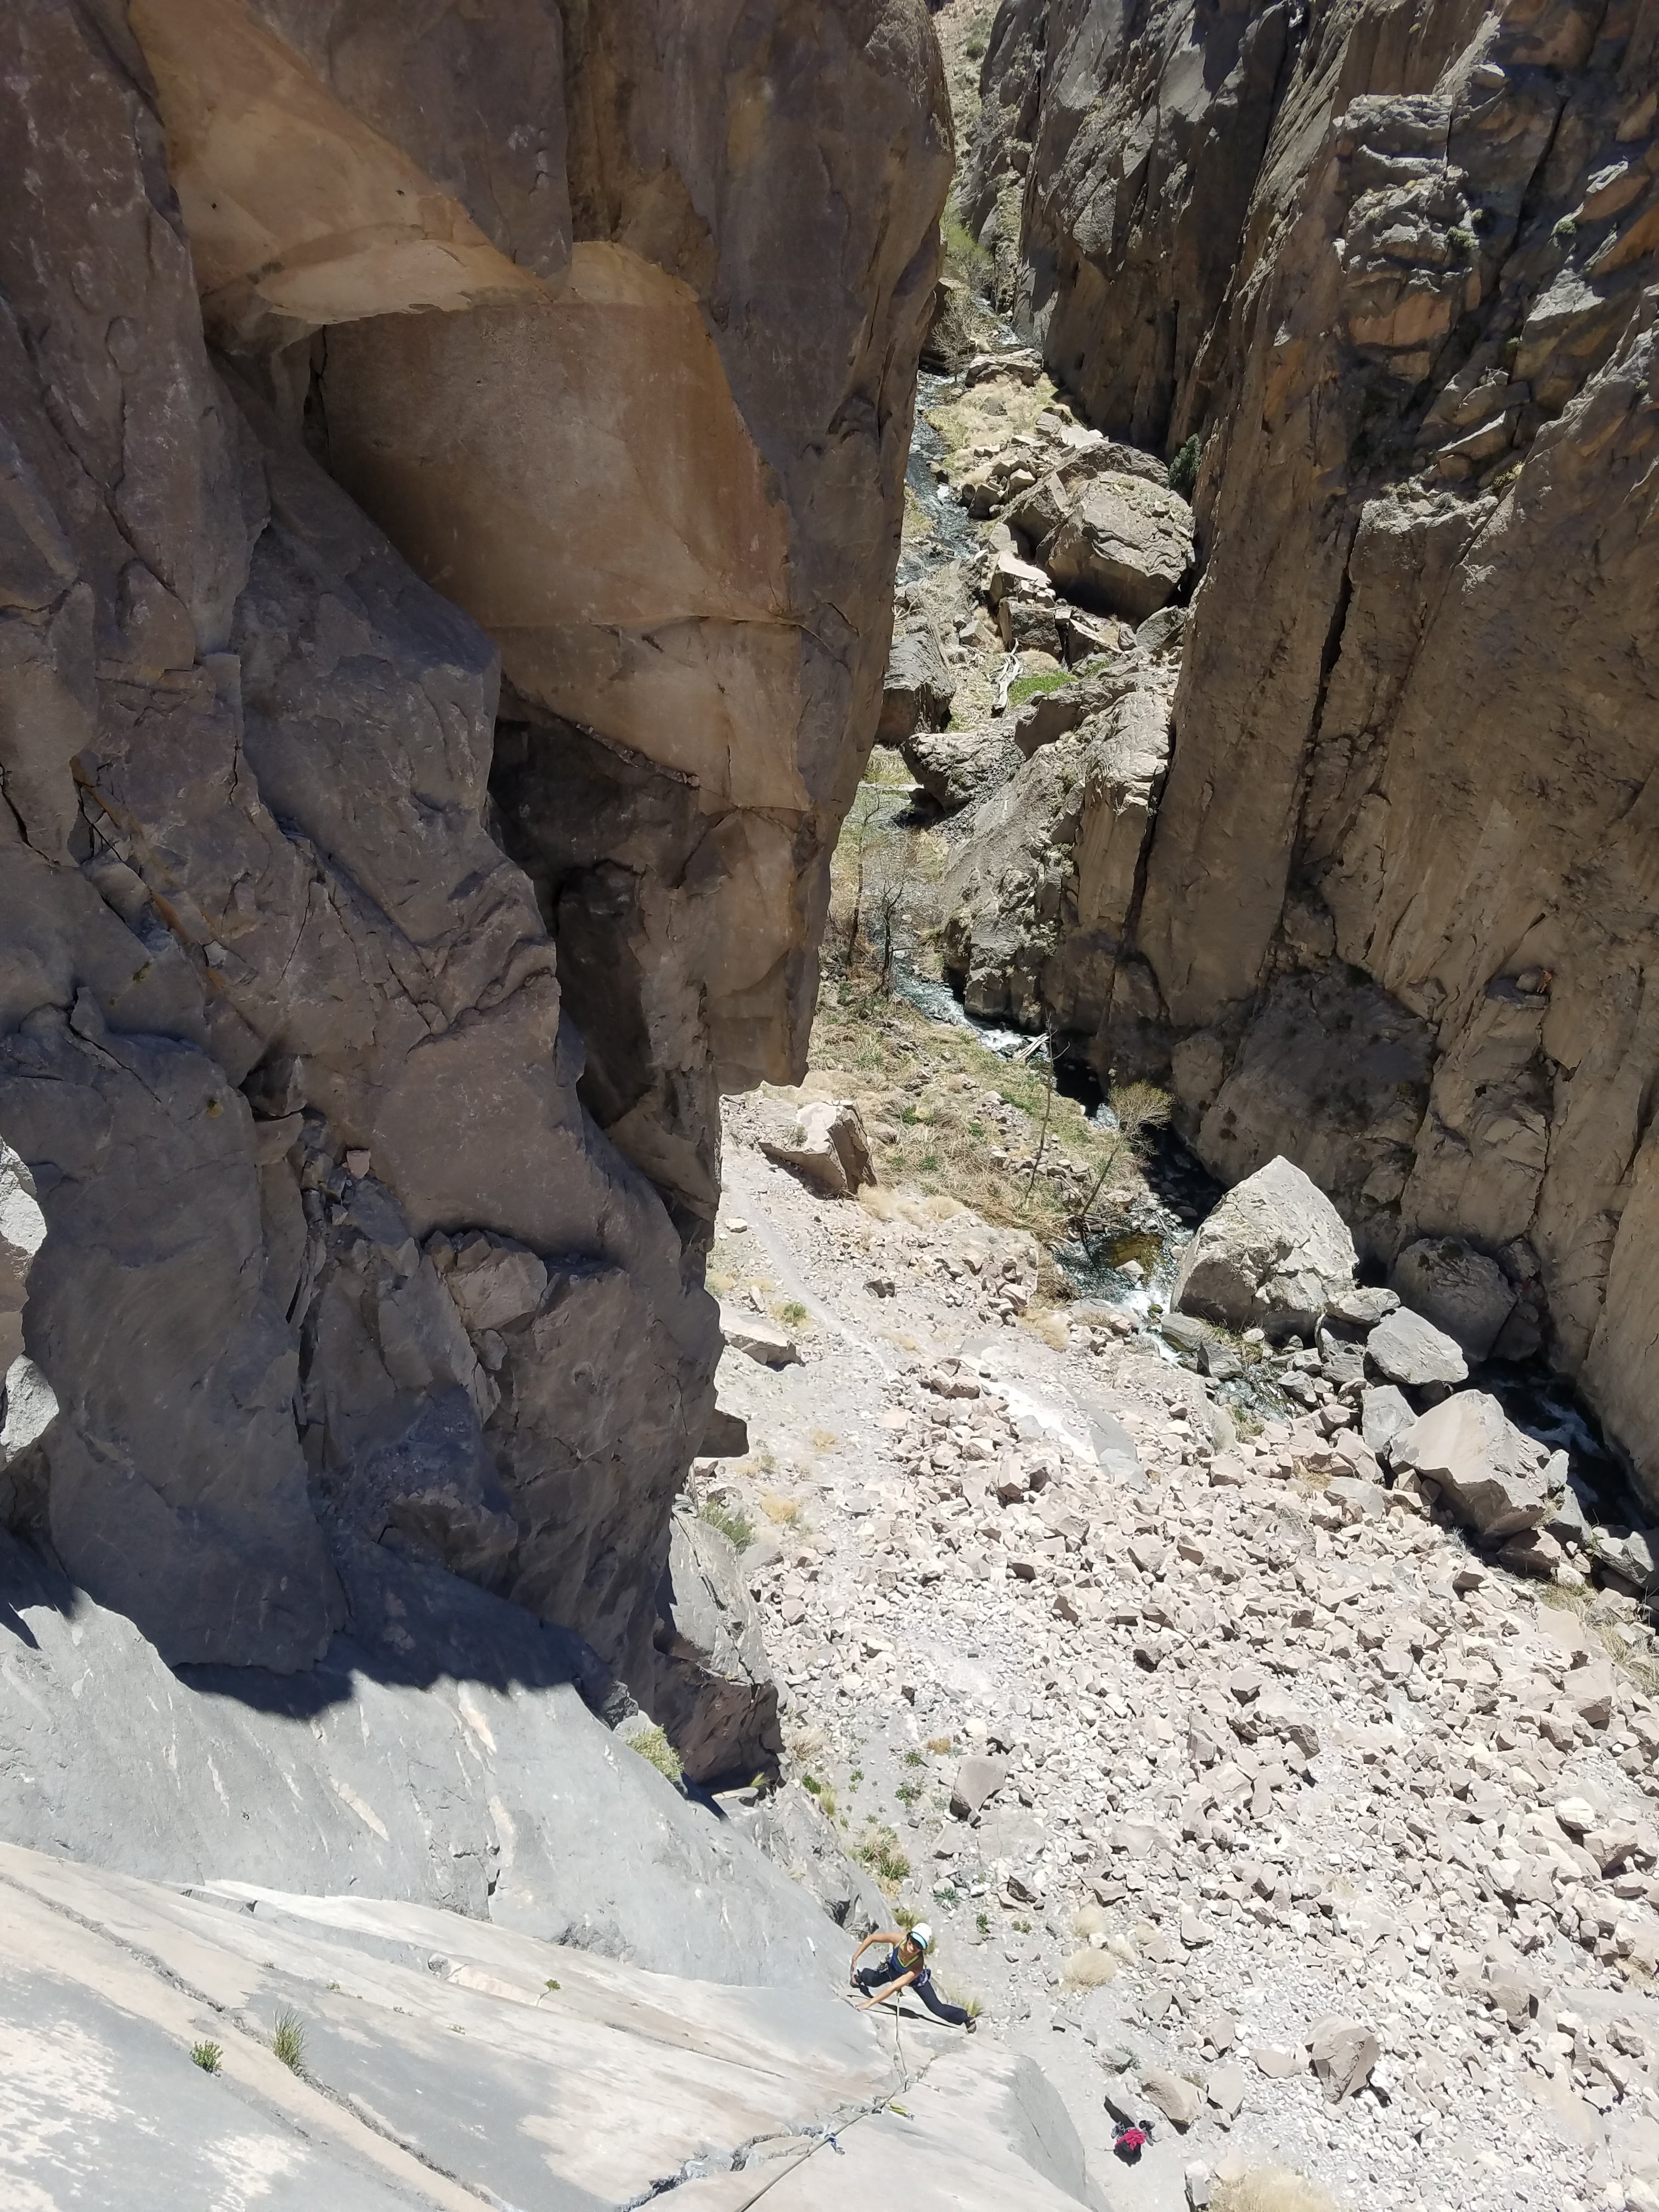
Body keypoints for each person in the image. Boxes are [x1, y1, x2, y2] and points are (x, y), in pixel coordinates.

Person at [848, 1922, 977, 2028]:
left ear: (923, 1949)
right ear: (909, 1936)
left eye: (919, 1945)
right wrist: (855, 1957)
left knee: (937, 2009)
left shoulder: (918, 1965)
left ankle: (966, 2018)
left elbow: (893, 1987)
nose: (914, 1946)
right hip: (893, 1969)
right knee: (873, 1980)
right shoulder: (898, 1939)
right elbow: (872, 1938)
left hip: (916, 1981)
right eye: (914, 1940)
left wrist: (869, 2004)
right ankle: (860, 1977)